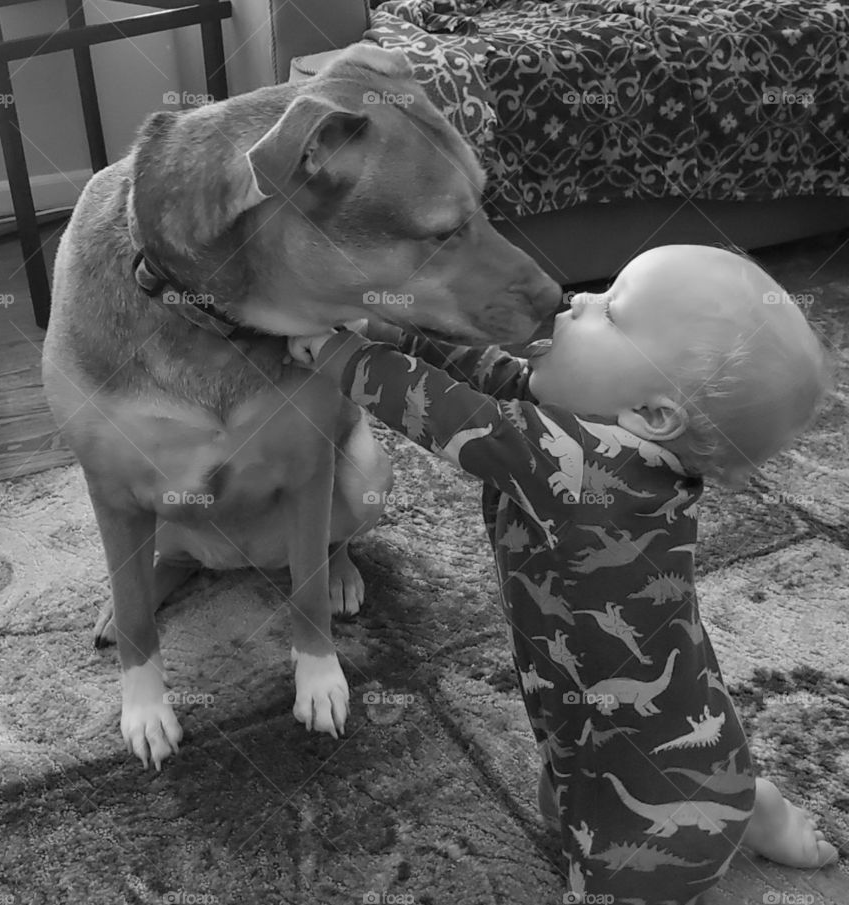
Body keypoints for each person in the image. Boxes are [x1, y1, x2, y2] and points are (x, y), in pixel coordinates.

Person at [287, 245, 838, 904]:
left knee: (605, 872)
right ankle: (740, 799)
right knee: (573, 765)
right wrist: (395, 331)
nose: (579, 299)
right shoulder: (591, 429)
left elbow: (443, 410)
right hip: (591, 700)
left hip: (655, 785)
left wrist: (337, 353)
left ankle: (726, 813)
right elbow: (488, 374)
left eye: (614, 311)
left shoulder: (580, 476)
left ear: (653, 414)